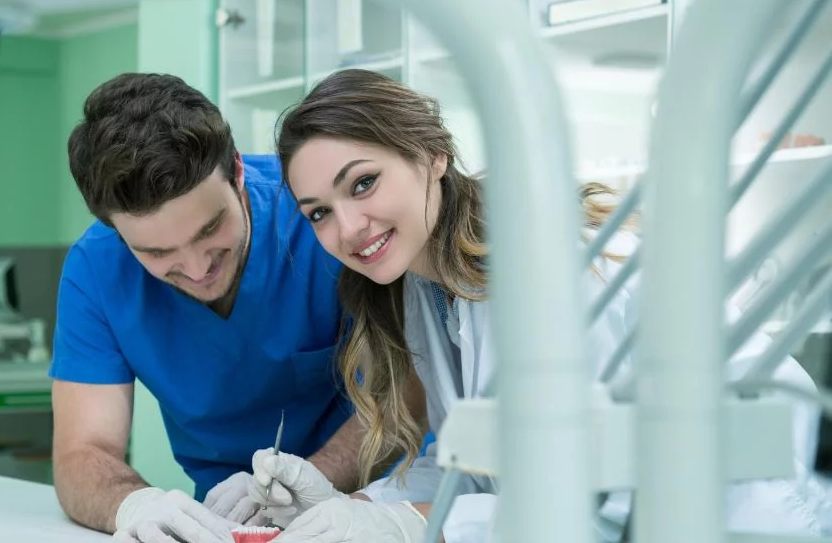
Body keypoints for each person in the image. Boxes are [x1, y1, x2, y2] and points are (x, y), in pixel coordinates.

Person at [245, 68, 829, 542]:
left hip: (749, 519)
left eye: (364, 183)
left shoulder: (553, 264)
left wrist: (404, 526)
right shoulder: (429, 286)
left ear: (432, 156)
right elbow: (485, 469)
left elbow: (594, 501)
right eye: (318, 211)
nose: (347, 226)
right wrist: (353, 505)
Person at [51, 72, 370, 543]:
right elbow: (82, 452)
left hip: (371, 507)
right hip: (223, 522)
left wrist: (311, 482)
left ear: (237, 171)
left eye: (209, 230)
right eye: (158, 254)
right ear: (117, 233)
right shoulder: (96, 269)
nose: (197, 268)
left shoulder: (316, 215)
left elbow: (407, 393)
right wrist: (135, 504)